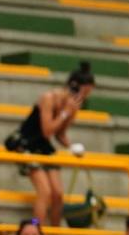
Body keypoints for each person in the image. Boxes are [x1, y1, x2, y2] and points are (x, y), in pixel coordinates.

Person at [10, 62, 94, 226]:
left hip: (44, 146)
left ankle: (54, 234)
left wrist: (72, 147)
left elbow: (60, 134)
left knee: (58, 194)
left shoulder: (73, 107)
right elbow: (47, 130)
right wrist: (64, 113)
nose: (83, 98)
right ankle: (36, 228)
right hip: (27, 144)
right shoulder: (49, 98)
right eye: (84, 93)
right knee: (45, 192)